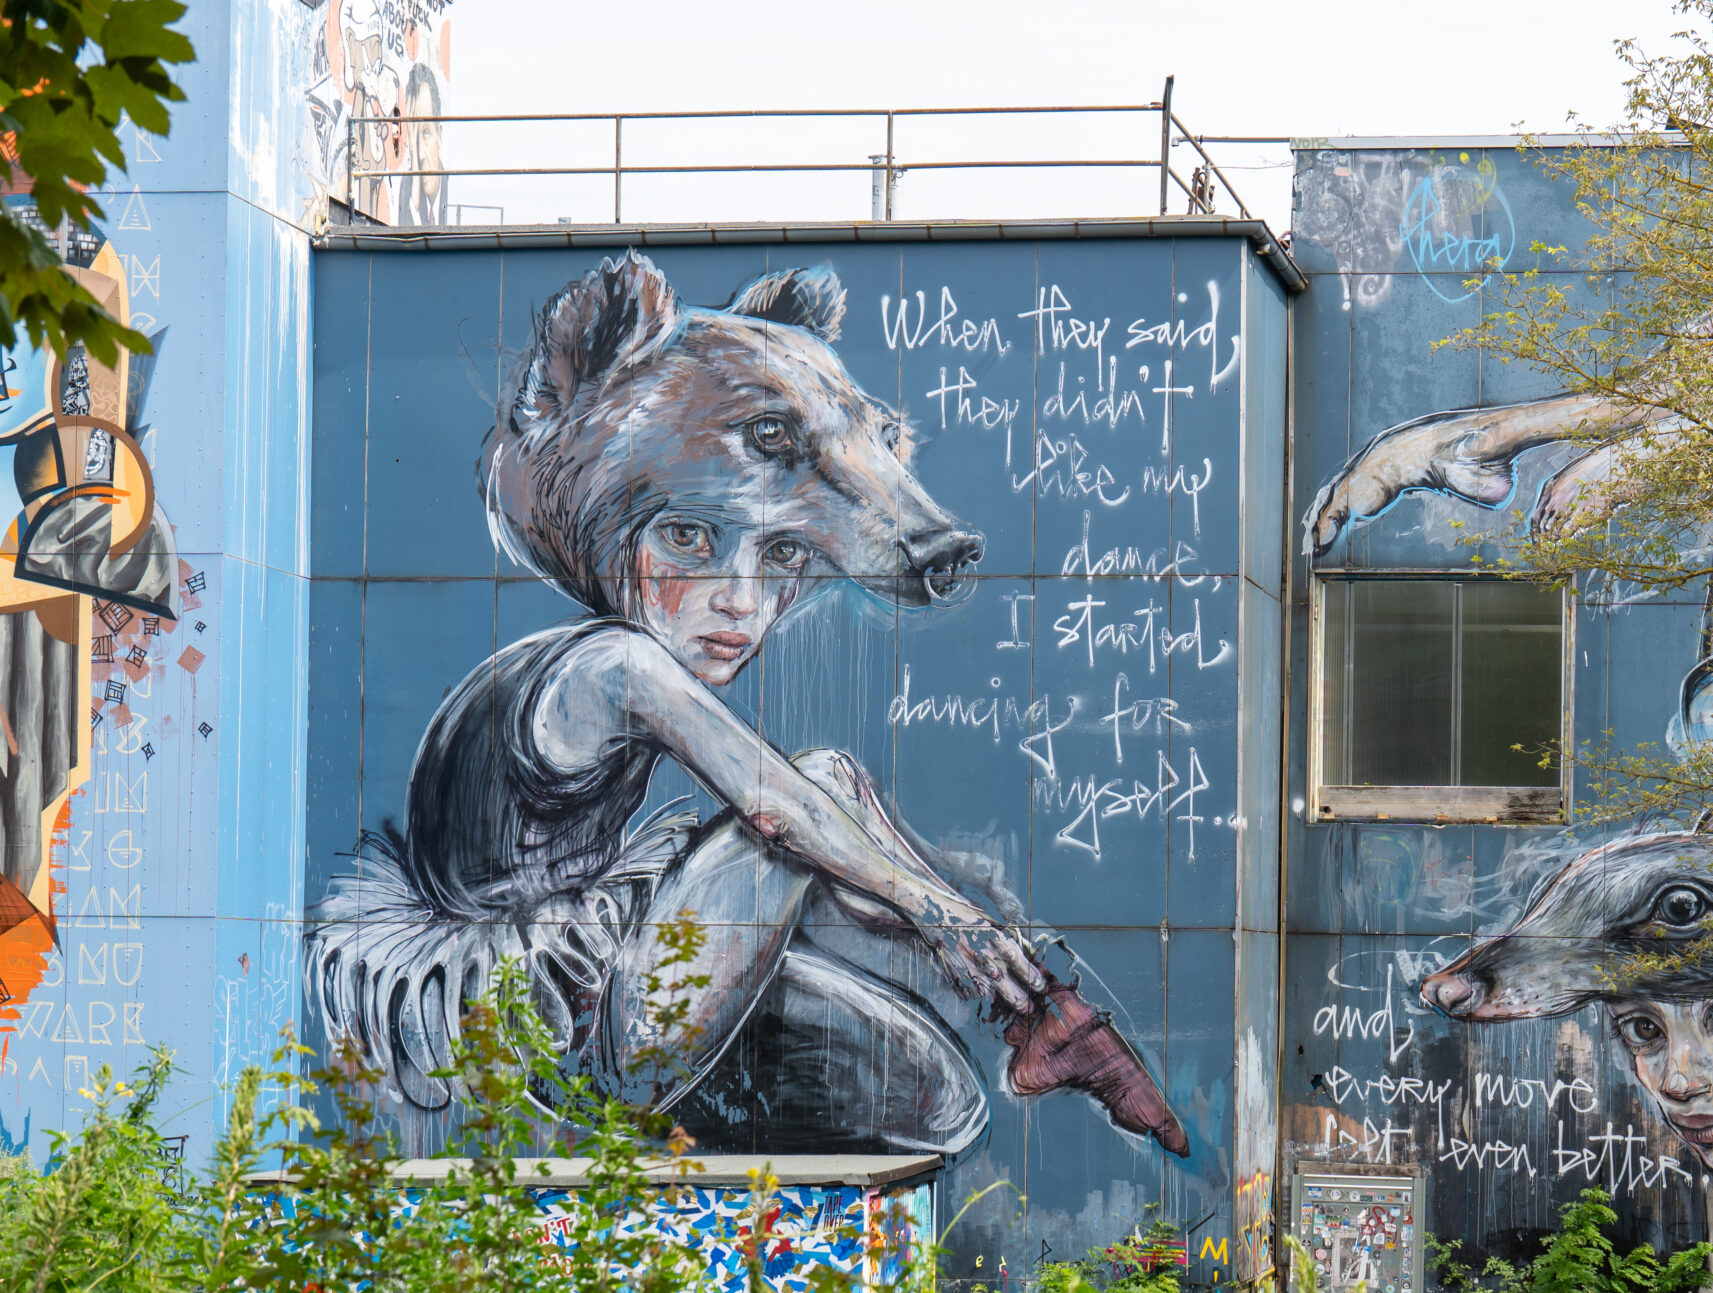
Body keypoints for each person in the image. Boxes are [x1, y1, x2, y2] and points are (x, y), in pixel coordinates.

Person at [307, 253, 1183, 1157]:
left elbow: (821, 848)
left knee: (939, 1099)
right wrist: (942, 912)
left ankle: (1031, 1018)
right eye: (688, 540)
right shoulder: (611, 665)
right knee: (819, 785)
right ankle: (1035, 1010)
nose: (739, 602)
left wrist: (947, 920)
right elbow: (779, 807)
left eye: (779, 559)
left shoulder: (626, 664)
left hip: (620, 981)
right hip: (554, 1028)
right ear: (617, 536)